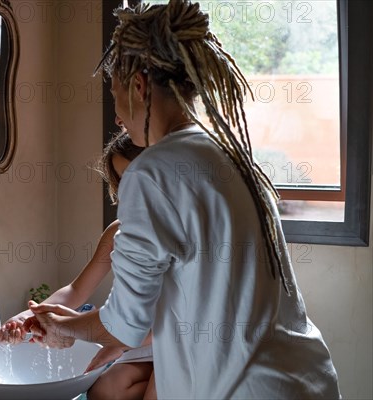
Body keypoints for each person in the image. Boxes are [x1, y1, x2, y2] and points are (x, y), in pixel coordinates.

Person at [28, 1, 341, 399]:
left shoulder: (152, 172)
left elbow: (126, 325)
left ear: (139, 85)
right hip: (306, 378)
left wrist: (65, 328)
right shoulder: (236, 161)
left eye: (115, 93)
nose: (118, 116)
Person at [0, 132, 151, 400]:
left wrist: (111, 339)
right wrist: (26, 318)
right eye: (120, 181)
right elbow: (76, 289)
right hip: (137, 342)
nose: (127, 190)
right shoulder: (117, 233)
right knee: (102, 392)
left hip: (174, 339)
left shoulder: (176, 233)